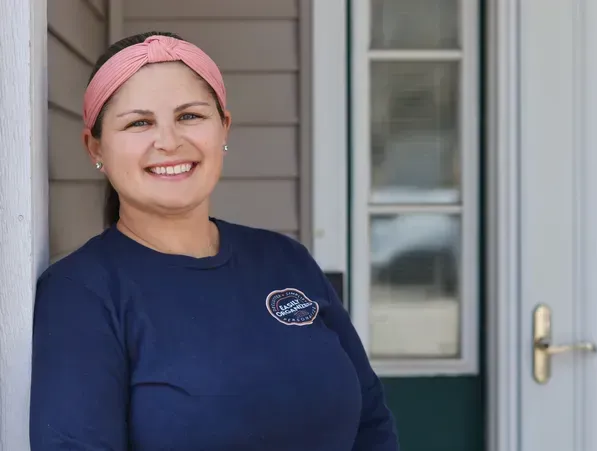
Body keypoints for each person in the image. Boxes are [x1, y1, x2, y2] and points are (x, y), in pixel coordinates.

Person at [29, 31, 399, 451]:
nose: (168, 141)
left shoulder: (285, 260)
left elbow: (371, 421)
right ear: (95, 146)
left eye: (189, 116)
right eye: (139, 122)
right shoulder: (82, 294)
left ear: (224, 126)